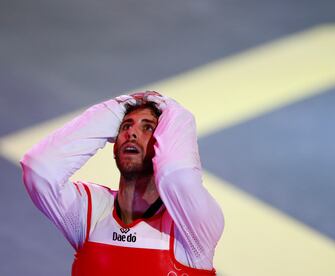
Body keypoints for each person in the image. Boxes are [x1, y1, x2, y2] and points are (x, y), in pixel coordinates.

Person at [21, 91, 224, 275]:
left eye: (148, 128)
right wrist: (114, 109)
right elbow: (39, 169)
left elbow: (176, 176)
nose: (132, 133)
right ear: (114, 144)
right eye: (126, 126)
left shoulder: (190, 227)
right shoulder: (90, 213)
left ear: (164, 143)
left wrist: (174, 110)